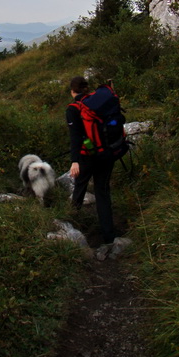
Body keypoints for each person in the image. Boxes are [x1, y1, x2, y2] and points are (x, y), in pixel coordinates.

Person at [66, 75, 116, 244]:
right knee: (102, 193)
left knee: (79, 188)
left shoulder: (73, 108)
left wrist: (75, 161)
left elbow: (75, 137)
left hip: (86, 156)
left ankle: (72, 225)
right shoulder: (96, 102)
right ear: (86, 88)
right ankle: (109, 236)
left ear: (72, 91)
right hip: (107, 153)